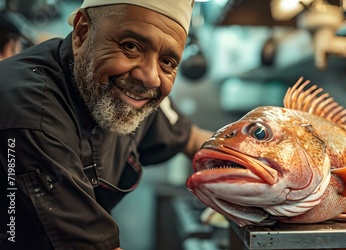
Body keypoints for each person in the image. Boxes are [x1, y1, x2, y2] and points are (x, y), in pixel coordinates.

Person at [0, 0, 214, 249]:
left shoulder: (131, 96)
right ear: (82, 32)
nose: (150, 78)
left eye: (167, 62)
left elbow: (193, 138)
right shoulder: (30, 111)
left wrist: (262, 167)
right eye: (131, 46)